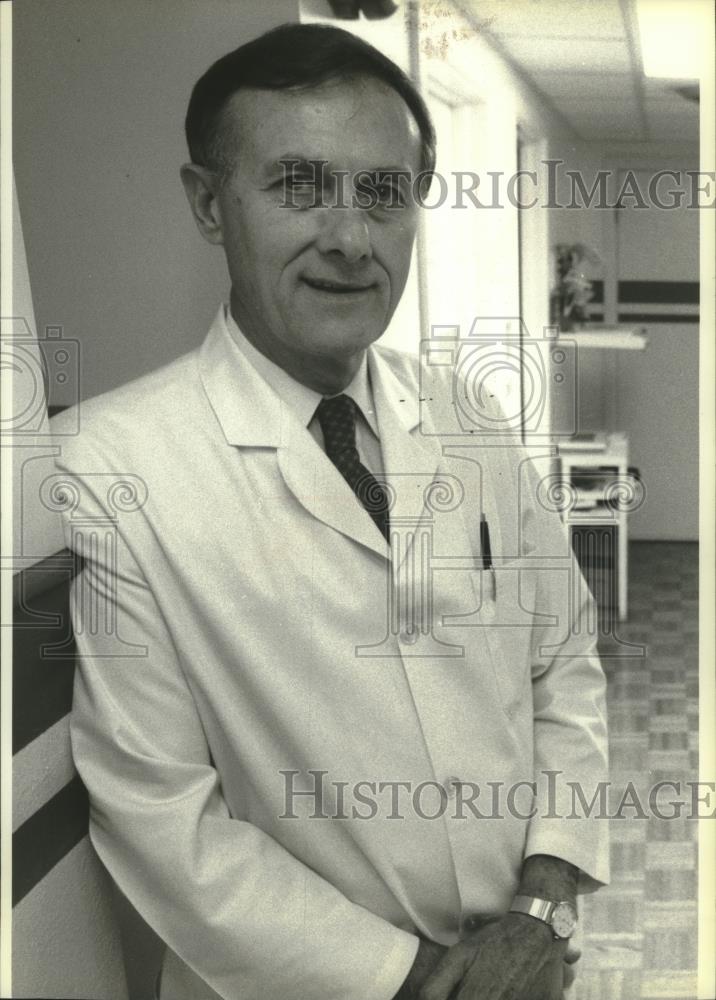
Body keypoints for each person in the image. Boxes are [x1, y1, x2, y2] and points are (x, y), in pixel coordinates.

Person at [52, 22, 609, 1000]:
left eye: (381, 192)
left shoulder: (467, 414)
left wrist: (542, 901)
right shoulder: (110, 466)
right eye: (296, 186)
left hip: (524, 966)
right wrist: (419, 980)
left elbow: (561, 663)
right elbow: (162, 817)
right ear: (208, 205)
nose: (349, 237)